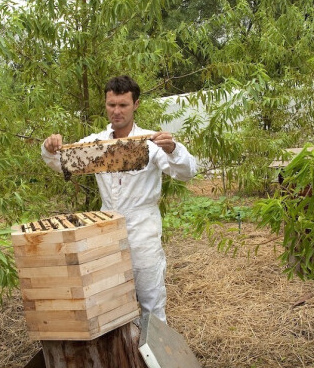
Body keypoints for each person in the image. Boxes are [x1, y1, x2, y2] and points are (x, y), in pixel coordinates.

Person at [42, 75, 197, 323]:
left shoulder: (151, 142)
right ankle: (126, 357)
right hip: (106, 228)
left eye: (123, 105)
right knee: (113, 301)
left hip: (142, 229)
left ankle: (153, 358)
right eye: (111, 105)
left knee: (151, 301)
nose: (116, 111)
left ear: (135, 105)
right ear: (105, 104)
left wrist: (173, 149)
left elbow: (187, 172)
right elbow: (63, 163)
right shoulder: (95, 143)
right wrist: (49, 148)